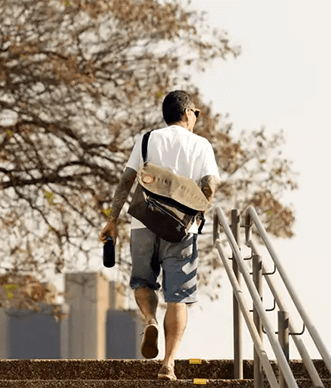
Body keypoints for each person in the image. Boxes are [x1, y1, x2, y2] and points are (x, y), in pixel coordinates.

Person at [100, 90, 220, 381]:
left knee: (143, 281)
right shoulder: (201, 145)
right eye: (196, 114)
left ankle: (150, 320)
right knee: (178, 297)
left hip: (143, 223)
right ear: (188, 113)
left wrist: (112, 220)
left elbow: (127, 180)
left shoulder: (147, 139)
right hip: (182, 230)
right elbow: (211, 185)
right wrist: (198, 214)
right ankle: (168, 364)